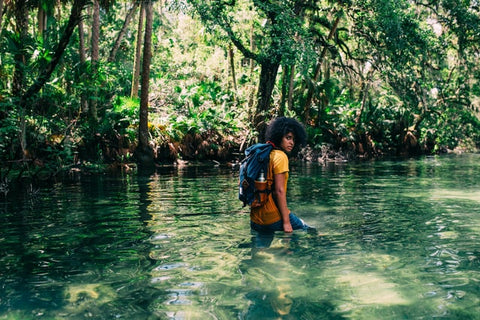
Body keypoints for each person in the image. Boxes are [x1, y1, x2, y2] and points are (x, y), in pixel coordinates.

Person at [250, 117, 312, 234]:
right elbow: (279, 191)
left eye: (293, 139)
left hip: (255, 219)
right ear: (278, 137)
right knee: (309, 231)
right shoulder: (280, 156)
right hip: (272, 218)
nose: (292, 142)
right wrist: (286, 222)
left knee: (260, 249)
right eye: (288, 138)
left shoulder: (265, 155)